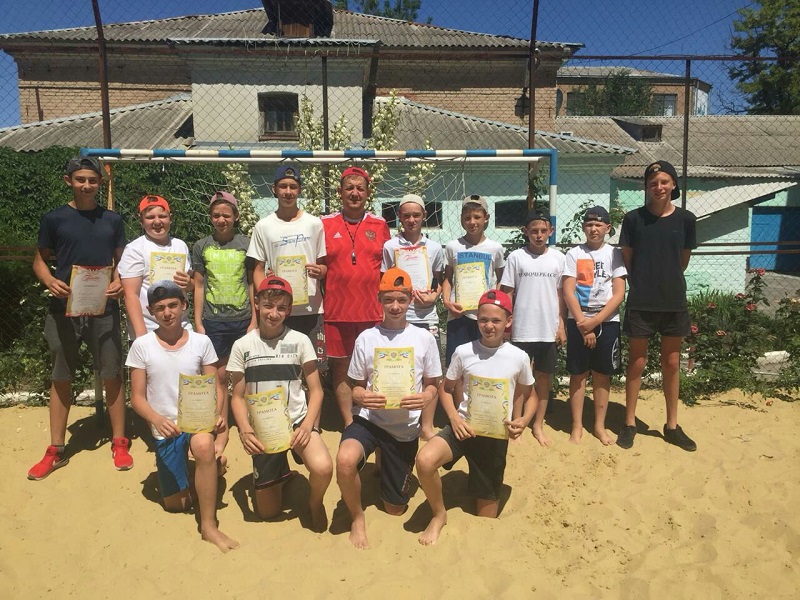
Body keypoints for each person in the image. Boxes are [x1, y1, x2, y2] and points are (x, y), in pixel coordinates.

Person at [28, 156, 132, 480]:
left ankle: (119, 442)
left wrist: (118, 281)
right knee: (62, 375)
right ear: (68, 181)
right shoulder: (54, 219)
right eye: (80, 179)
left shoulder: (112, 220)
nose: (87, 185)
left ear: (100, 183)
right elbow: (39, 261)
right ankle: (56, 449)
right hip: (65, 308)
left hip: (104, 308)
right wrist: (49, 281)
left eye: (92, 180)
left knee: (112, 373)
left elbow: (123, 261)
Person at [415, 289, 537, 546]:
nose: (489, 326)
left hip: (493, 438)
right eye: (483, 320)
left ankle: (480, 486)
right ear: (477, 320)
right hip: (462, 428)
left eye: (496, 320)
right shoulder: (464, 351)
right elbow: (445, 389)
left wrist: (524, 420)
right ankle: (439, 515)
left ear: (508, 321)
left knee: (486, 517)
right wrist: (453, 417)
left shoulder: (519, 357)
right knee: (424, 461)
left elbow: (532, 396)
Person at [127, 280, 238, 553]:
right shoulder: (142, 346)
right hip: (165, 428)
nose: (167, 313)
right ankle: (211, 468)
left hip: (197, 421)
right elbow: (137, 398)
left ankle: (208, 525)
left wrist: (216, 414)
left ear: (184, 306)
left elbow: (215, 386)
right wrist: (156, 419)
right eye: (160, 308)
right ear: (151, 312)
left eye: (173, 305)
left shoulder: (201, 342)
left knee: (203, 444)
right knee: (177, 505)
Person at [336, 268, 441, 549]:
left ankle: (385, 459)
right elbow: (355, 386)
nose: (395, 306)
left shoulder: (424, 338)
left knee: (395, 509)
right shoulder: (367, 338)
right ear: (379, 300)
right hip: (370, 420)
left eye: (402, 300)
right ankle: (357, 518)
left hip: (403, 430)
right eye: (389, 300)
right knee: (345, 460)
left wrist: (426, 397)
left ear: (410, 300)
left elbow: (433, 384)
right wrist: (361, 396)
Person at [228, 276, 333, 532]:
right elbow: (237, 397)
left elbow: (317, 391)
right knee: (268, 513)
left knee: (323, 468)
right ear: (256, 304)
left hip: (297, 422)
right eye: (268, 306)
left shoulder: (300, 341)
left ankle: (315, 502)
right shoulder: (242, 346)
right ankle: (282, 474)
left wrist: (307, 426)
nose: (273, 314)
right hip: (263, 428)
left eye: (281, 308)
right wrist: (245, 430)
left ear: (289, 310)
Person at [618, 160, 698, 451]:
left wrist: (666, 280)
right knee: (637, 362)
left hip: (673, 301)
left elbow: (682, 261)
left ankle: (672, 426)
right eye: (653, 183)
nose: (659, 187)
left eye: (664, 182)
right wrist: (644, 283)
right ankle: (629, 423)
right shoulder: (633, 219)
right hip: (642, 301)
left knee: (672, 362)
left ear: (673, 184)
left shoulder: (686, 219)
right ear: (646, 187)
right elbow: (628, 258)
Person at [192, 190, 257, 472]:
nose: (221, 220)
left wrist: (254, 319)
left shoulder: (246, 244)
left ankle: (249, 423)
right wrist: (198, 322)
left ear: (236, 217)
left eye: (226, 215)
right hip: (214, 321)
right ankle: (222, 427)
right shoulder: (201, 246)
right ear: (211, 217)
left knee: (241, 376)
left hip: (242, 320)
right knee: (218, 377)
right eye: (216, 215)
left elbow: (252, 283)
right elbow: (198, 285)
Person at [321, 166, 391, 426]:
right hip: (337, 310)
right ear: (339, 192)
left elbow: (388, 267)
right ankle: (350, 423)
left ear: (368, 193)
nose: (354, 193)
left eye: (360, 188)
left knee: (372, 367)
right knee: (341, 367)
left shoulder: (380, 225)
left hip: (372, 311)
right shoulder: (324, 224)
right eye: (349, 188)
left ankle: (372, 420)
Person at [500, 209, 566, 447]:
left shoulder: (559, 258)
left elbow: (561, 295)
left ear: (551, 231)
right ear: (525, 232)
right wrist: (507, 324)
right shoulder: (516, 257)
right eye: (534, 231)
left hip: (548, 329)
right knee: (520, 379)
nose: (538, 235)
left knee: (544, 379)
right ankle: (517, 423)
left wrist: (561, 325)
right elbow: (507, 293)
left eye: (543, 231)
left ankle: (538, 424)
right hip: (522, 329)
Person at [381, 193, 444, 440]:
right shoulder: (390, 247)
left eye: (416, 215)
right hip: (398, 316)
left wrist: (433, 297)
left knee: (430, 373)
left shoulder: (434, 248)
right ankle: (397, 419)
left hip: (426, 316)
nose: (411, 220)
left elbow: (439, 280)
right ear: (399, 217)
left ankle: (426, 426)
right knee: (400, 366)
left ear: (424, 216)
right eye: (406, 215)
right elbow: (384, 280)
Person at [562, 206, 627, 445]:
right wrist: (583, 323)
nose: (593, 229)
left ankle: (599, 425)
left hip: (606, 322)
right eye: (589, 224)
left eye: (598, 225)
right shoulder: (574, 254)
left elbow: (619, 294)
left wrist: (595, 323)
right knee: (578, 374)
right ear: (583, 228)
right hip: (578, 320)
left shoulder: (614, 254)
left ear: (607, 228)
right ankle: (577, 425)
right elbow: (568, 291)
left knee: (602, 375)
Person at [247, 165, 327, 347]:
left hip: (310, 309)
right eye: (283, 186)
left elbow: (323, 265)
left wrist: (320, 271)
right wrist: (267, 295)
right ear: (274, 189)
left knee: (312, 361)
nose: (288, 192)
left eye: (293, 186)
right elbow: (258, 269)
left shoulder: (314, 224)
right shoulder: (263, 226)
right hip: (277, 310)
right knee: (280, 361)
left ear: (300, 190)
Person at [442, 194, 505, 367]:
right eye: (467, 218)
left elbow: (501, 280)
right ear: (461, 219)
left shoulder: (495, 248)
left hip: (485, 316)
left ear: (486, 218)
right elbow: (447, 278)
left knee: (484, 363)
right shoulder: (453, 247)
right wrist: (447, 302)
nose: (472, 222)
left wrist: (495, 305)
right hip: (458, 313)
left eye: (477, 217)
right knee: (456, 364)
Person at [119, 195, 192, 340]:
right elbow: (131, 295)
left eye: (162, 216)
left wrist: (189, 283)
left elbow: (189, 286)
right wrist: (141, 337)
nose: (157, 222)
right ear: (141, 221)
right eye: (150, 217)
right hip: (149, 330)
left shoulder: (180, 245)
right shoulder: (135, 249)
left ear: (170, 218)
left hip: (182, 327)